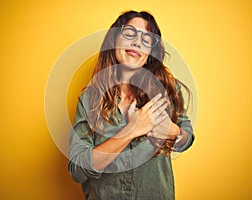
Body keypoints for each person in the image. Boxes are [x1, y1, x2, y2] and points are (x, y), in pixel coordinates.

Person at [68, 10, 195, 200]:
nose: (137, 42)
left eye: (146, 40)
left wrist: (174, 132)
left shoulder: (166, 89)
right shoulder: (89, 99)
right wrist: (132, 130)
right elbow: (78, 170)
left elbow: (187, 137)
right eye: (129, 34)